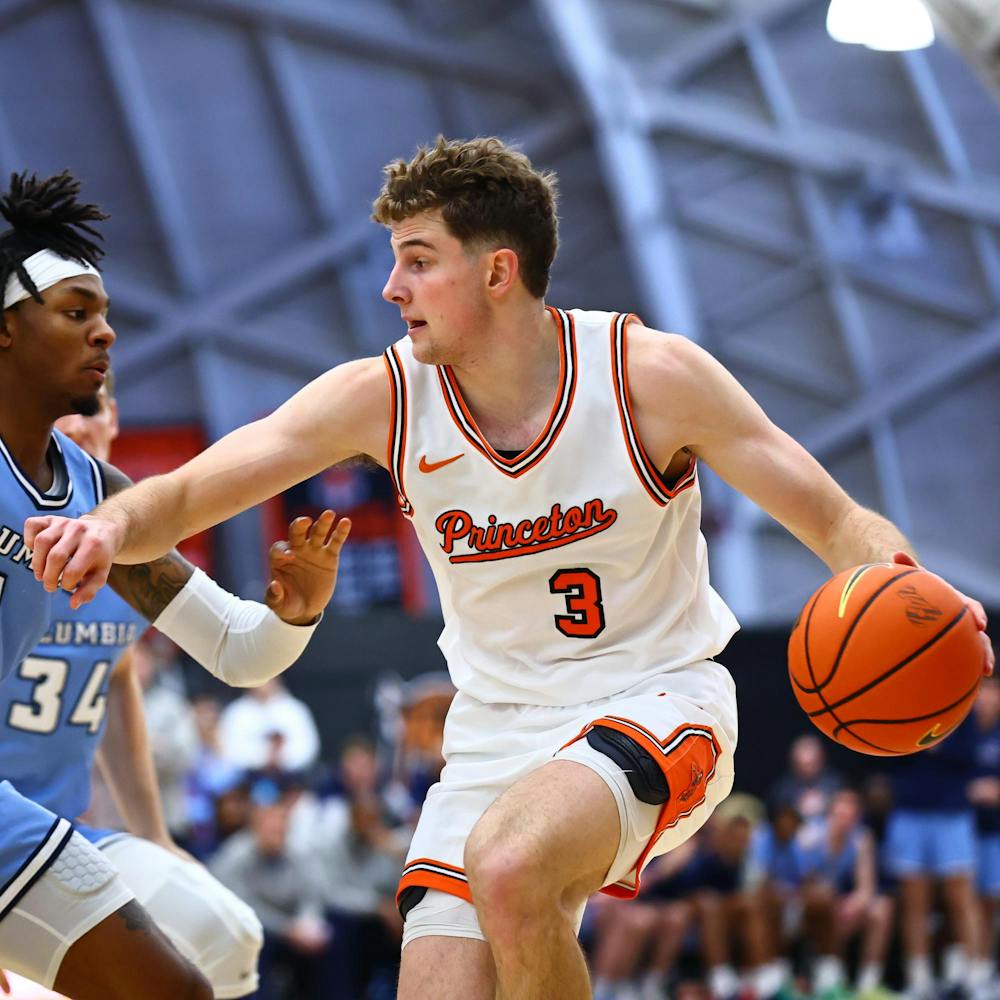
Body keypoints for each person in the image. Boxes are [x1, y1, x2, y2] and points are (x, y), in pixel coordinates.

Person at [24, 137, 994, 1000]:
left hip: (657, 699)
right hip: (491, 739)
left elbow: (832, 516)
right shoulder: (385, 397)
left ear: (496, 272)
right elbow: (195, 491)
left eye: (416, 261)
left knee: (512, 863)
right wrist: (112, 527)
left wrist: (906, 588)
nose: (390, 288)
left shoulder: (646, 375)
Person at [0, 169, 349, 1000]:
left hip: (26, 820)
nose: (107, 334)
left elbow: (237, 649)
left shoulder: (100, 497)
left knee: (212, 955)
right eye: (77, 313)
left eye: (107, 315)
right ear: (5, 329)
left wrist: (296, 611)